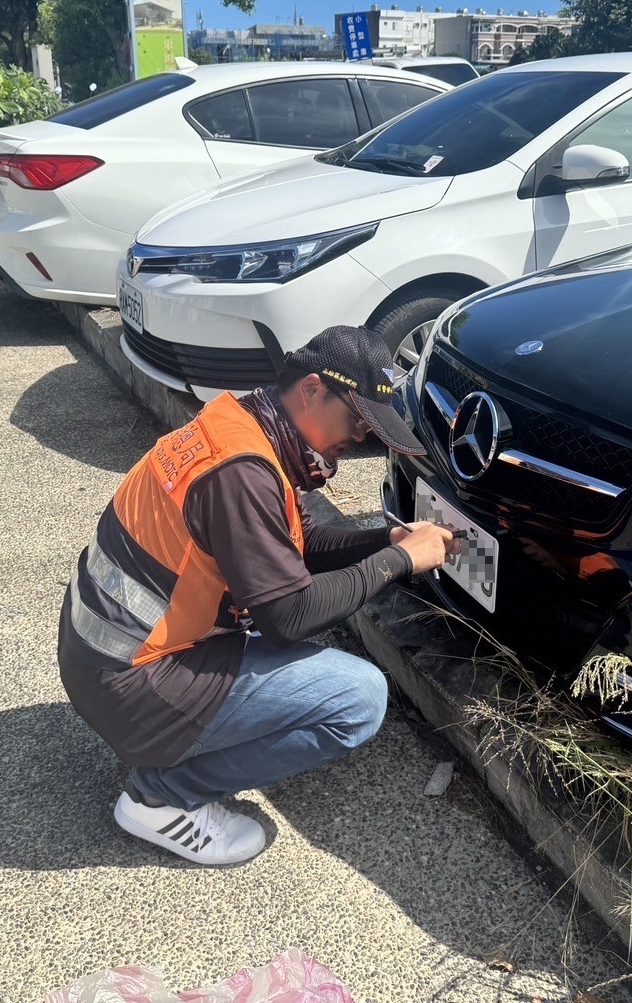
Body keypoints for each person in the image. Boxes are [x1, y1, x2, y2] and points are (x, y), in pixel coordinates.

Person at [58, 325, 455, 866]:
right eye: (358, 421)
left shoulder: (241, 427)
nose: (360, 439)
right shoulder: (241, 472)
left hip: (111, 656)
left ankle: (175, 757)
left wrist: (384, 538)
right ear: (312, 389)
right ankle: (161, 798)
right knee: (357, 698)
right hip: (131, 685)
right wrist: (400, 561)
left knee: (328, 675)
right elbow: (288, 617)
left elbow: (300, 542)